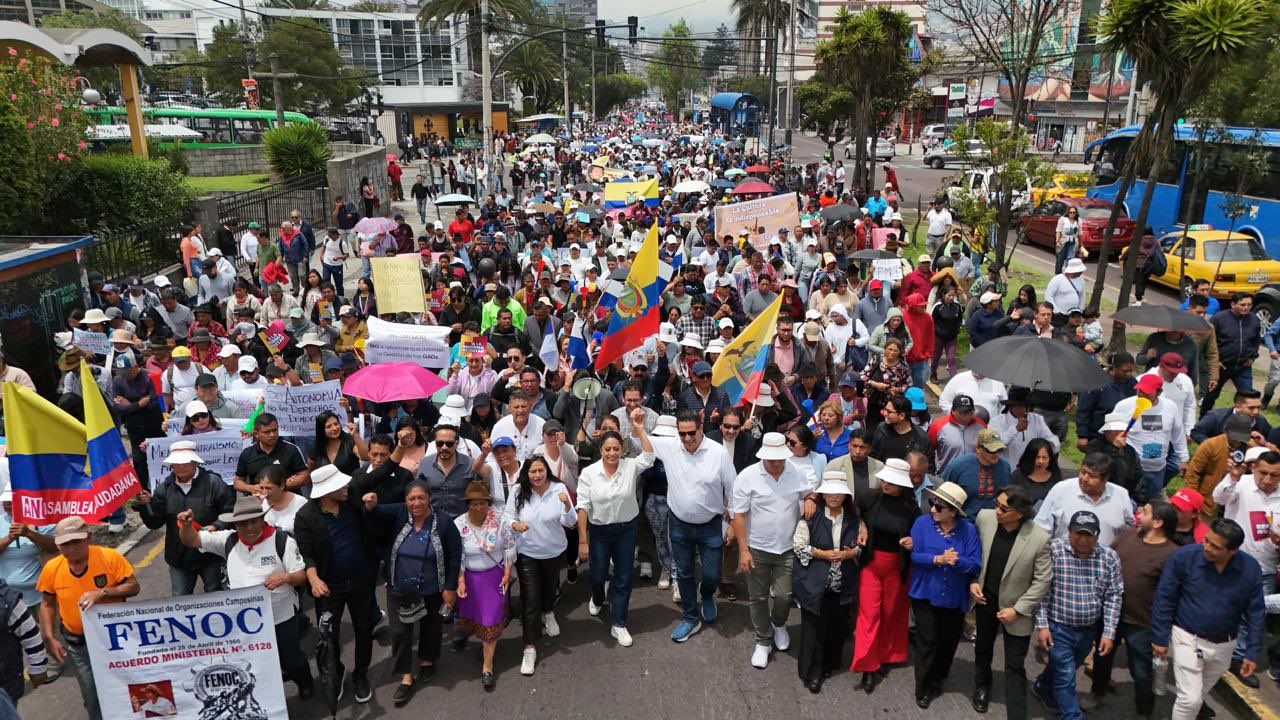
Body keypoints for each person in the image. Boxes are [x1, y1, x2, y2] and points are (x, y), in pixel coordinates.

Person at [176, 496, 313, 699]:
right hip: (246, 623)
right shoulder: (229, 540)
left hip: (281, 616)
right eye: (242, 523)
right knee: (256, 663)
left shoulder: (282, 541)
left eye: (254, 521)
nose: (249, 527)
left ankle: (305, 682)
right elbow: (192, 540)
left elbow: (301, 575)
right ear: (235, 524)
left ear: (262, 519)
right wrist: (187, 525)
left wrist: (286, 577)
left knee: (291, 659)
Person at [1152, 519, 1266, 720]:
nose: (1206, 547)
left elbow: (1255, 612)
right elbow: (1165, 597)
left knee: (1199, 695)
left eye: (1215, 546)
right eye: (1206, 540)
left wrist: (1252, 651)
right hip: (1187, 637)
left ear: (1232, 551)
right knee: (1190, 699)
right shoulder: (1184, 557)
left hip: (1225, 646)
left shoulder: (1250, 568)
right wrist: (1160, 638)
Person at [362, 481, 462, 707]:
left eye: (421, 498)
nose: (416, 503)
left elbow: (455, 555)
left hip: (433, 588)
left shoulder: (444, 522)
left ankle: (428, 660)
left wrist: (450, 587)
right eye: (411, 499)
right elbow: (375, 513)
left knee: (431, 626)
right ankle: (406, 676)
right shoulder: (398, 514)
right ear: (405, 501)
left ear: (429, 499)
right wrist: (372, 504)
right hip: (400, 588)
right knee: (400, 633)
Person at [37, 517, 140, 720]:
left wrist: (101, 593)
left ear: (89, 537)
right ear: (58, 545)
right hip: (78, 644)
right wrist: (49, 636)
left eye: (77, 541)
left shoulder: (109, 557)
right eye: (65, 543)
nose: (72, 548)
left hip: (115, 640)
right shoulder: (52, 568)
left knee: (128, 685)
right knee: (91, 695)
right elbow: (47, 604)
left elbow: (133, 587)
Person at [731, 432, 817, 669]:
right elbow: (738, 515)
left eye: (780, 458)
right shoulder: (747, 476)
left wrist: (810, 498)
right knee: (757, 597)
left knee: (784, 595)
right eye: (772, 459)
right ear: (763, 457)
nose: (777, 463)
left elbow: (810, 491)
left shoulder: (795, 472)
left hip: (788, 548)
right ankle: (762, 640)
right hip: (757, 547)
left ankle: (779, 624)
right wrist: (743, 550)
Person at [293, 465, 378, 704]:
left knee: (364, 630)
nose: (346, 487)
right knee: (329, 637)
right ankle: (337, 673)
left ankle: (361, 675)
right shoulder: (306, 516)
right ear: (327, 491)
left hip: (361, 581)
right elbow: (306, 552)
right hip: (329, 588)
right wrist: (314, 578)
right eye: (341, 485)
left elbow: (382, 472)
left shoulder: (351, 502)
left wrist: (401, 446)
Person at [651, 410, 737, 643]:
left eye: (692, 433)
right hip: (679, 525)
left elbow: (732, 489)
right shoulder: (670, 448)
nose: (687, 438)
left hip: (711, 525)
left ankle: (707, 594)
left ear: (701, 428)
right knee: (684, 572)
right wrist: (638, 424)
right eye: (682, 434)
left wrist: (731, 524)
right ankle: (690, 617)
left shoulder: (718, 453)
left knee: (712, 574)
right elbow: (643, 440)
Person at [1088, 501, 1179, 718]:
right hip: (1111, 615)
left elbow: (1172, 594)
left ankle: (1144, 711)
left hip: (1143, 623)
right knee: (1102, 658)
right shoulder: (1129, 535)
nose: (1139, 514)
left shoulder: (1173, 554)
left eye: (1145, 512)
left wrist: (1162, 632)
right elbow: (1106, 558)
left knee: (1141, 671)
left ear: (1157, 522)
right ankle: (1097, 693)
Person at [1031, 510, 1124, 720]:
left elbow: (1114, 596)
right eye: (1078, 533)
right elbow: (1041, 590)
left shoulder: (1109, 557)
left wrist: (1108, 633)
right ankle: (1072, 716)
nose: (1082, 539)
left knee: (1067, 668)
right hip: (1058, 628)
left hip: (1088, 631)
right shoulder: (1053, 550)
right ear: (1069, 531)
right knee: (1066, 677)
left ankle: (1042, 687)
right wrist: (1042, 625)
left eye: (1088, 535)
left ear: (1097, 535)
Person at [970, 485, 1051, 718]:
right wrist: (973, 581)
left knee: (1015, 663)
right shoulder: (984, 518)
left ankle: (1017, 711)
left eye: (1003, 509)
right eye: (997, 504)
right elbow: (974, 553)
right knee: (983, 650)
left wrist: (1018, 610)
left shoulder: (1039, 538)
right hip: (986, 600)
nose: (997, 511)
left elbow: (1042, 581)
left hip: (1017, 610)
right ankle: (982, 686)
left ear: (1020, 512)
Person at [575, 409, 655, 647]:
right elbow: (582, 507)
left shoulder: (630, 466)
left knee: (623, 577)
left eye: (616, 449)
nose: (612, 453)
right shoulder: (589, 473)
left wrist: (639, 429)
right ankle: (598, 597)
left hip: (626, 531)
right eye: (607, 449)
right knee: (598, 576)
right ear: (601, 450)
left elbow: (649, 457)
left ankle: (619, 623)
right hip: (599, 532)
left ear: (622, 450)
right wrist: (583, 540)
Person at [908, 481, 982, 708]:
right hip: (925, 594)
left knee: (948, 642)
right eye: (932, 504)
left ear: (953, 511)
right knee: (927, 640)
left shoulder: (968, 530)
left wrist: (956, 560)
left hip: (953, 597)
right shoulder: (921, 524)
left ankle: (939, 677)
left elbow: (974, 563)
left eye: (939, 507)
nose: (932, 510)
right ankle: (924, 686)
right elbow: (915, 556)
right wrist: (938, 559)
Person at [1211, 450, 1280, 686]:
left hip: (1267, 566)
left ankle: (1240, 659)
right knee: (1226, 609)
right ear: (1254, 469)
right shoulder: (1241, 484)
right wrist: (1232, 477)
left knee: (1255, 615)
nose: (1268, 480)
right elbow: (1218, 498)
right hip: (1234, 564)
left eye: (1275, 475)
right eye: (1263, 473)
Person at [504, 455, 577, 676]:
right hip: (527, 552)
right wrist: (515, 524)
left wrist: (566, 505)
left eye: (540, 471)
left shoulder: (559, 489)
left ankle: (549, 612)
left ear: (547, 471)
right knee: (529, 598)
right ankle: (529, 646)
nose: (537, 475)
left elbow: (571, 522)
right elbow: (506, 517)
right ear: (526, 474)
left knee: (549, 588)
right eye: (532, 472)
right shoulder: (518, 491)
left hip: (553, 551)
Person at [853, 459, 920, 693]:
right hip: (871, 565)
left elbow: (918, 535)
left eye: (891, 481)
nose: (885, 483)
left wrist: (913, 542)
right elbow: (855, 511)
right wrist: (862, 525)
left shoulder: (912, 508)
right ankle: (868, 667)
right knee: (869, 615)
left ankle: (885, 655)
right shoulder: (871, 498)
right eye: (884, 479)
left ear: (902, 485)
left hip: (897, 569)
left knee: (891, 614)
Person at [135, 440, 235, 595]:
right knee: (180, 600)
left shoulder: (214, 483)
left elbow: (230, 513)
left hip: (212, 555)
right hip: (179, 558)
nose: (181, 466)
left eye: (185, 462)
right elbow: (154, 523)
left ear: (195, 461)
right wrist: (146, 505)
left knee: (215, 596)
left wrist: (216, 526)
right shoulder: (164, 488)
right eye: (176, 463)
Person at [792, 473, 861, 693]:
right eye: (829, 492)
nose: (834, 496)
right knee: (815, 627)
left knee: (836, 624)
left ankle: (830, 663)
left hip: (842, 581)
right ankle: (813, 671)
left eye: (838, 492)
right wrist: (821, 553)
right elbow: (799, 546)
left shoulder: (853, 517)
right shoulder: (811, 515)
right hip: (815, 581)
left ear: (845, 496)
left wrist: (852, 554)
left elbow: (860, 546)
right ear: (822, 494)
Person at [454, 480, 514, 689]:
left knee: (490, 620)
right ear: (467, 504)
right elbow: (458, 555)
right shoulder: (459, 524)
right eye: (474, 504)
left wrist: (507, 573)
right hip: (471, 579)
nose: (479, 508)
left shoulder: (499, 520)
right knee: (476, 618)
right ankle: (475, 641)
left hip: (494, 578)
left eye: (482, 503)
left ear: (488, 503)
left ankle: (487, 667)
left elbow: (508, 548)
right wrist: (460, 580)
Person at [1113, 373, 1188, 502]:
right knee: (1125, 502)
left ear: (1159, 392)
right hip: (1129, 467)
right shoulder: (1124, 406)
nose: (1141, 395)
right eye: (1140, 390)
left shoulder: (1170, 407)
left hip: (1156, 470)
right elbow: (1109, 430)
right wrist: (1115, 439)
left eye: (1147, 393)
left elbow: (1178, 434)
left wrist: (1183, 458)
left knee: (1149, 504)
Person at [1035, 452, 1135, 545]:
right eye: (1083, 472)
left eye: (1092, 476)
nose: (1084, 479)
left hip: (1104, 562)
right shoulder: (1061, 490)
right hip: (1064, 560)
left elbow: (1130, 530)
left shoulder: (1121, 495)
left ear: (1105, 479)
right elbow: (1041, 528)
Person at [1202, 292, 1262, 414]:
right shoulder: (1219, 319)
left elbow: (1256, 340)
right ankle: (1203, 419)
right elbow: (1208, 341)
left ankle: (1244, 423)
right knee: (1211, 396)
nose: (1246, 308)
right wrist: (1215, 361)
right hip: (1220, 367)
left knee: (1248, 397)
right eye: (1242, 304)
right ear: (1233, 304)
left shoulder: (1254, 319)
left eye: (1249, 305)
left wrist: (1253, 356)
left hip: (1242, 368)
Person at [940, 428, 1012, 516]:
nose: (996, 454)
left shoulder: (1005, 467)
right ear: (978, 448)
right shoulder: (959, 466)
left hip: (994, 522)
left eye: (999, 450)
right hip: (964, 522)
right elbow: (943, 494)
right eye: (991, 450)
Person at [233, 413, 309, 495]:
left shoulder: (292, 449)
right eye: (267, 432)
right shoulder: (247, 453)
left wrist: (285, 485)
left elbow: (305, 476)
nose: (272, 435)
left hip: (289, 501)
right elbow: (237, 481)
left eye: (275, 430)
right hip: (260, 504)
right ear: (256, 434)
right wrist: (251, 488)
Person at [1008, 438, 1062, 510]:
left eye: (1044, 457)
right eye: (1037, 457)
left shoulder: (1055, 474)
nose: (1041, 461)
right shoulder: (1018, 476)